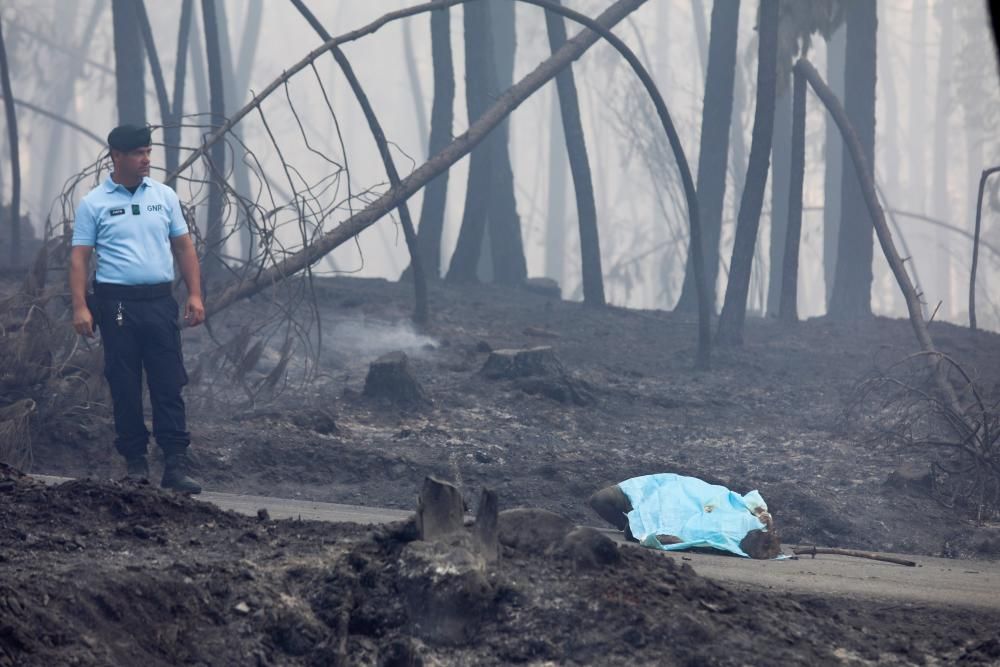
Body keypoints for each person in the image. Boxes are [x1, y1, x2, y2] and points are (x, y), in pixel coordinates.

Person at [69, 123, 205, 494]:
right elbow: (80, 258)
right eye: (139, 153)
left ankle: (175, 465)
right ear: (117, 156)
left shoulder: (164, 196)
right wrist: (80, 306)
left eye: (148, 152)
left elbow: (184, 247)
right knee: (125, 382)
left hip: (160, 303)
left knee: (168, 382)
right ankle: (136, 466)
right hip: (116, 306)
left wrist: (195, 295)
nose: (146, 159)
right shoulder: (94, 203)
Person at [588, 473, 781, 559]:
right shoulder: (631, 500)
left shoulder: (636, 488)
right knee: (605, 505)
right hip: (654, 496)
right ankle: (630, 525)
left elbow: (681, 491)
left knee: (707, 508)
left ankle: (631, 526)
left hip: (674, 487)